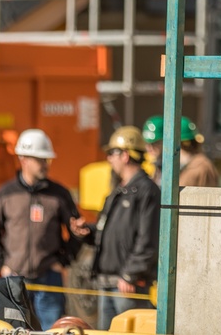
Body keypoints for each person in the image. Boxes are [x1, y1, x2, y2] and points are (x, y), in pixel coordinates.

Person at [0, 129, 82, 329]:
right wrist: (2, 264)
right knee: (13, 330)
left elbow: (77, 231)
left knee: (50, 331)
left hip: (49, 278)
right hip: (14, 279)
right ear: (24, 159)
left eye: (47, 160)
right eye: (40, 159)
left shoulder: (59, 194)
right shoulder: (6, 194)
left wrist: (63, 260)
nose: (46, 165)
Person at [70, 127, 160, 330]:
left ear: (125, 155)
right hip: (107, 283)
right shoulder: (118, 192)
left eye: (112, 153)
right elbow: (108, 233)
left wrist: (130, 274)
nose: (109, 159)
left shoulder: (147, 192)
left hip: (127, 285)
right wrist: (88, 233)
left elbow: (149, 239)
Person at [142, 116, 218, 187]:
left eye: (155, 143)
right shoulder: (161, 165)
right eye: (147, 143)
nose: (149, 148)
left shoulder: (200, 167)